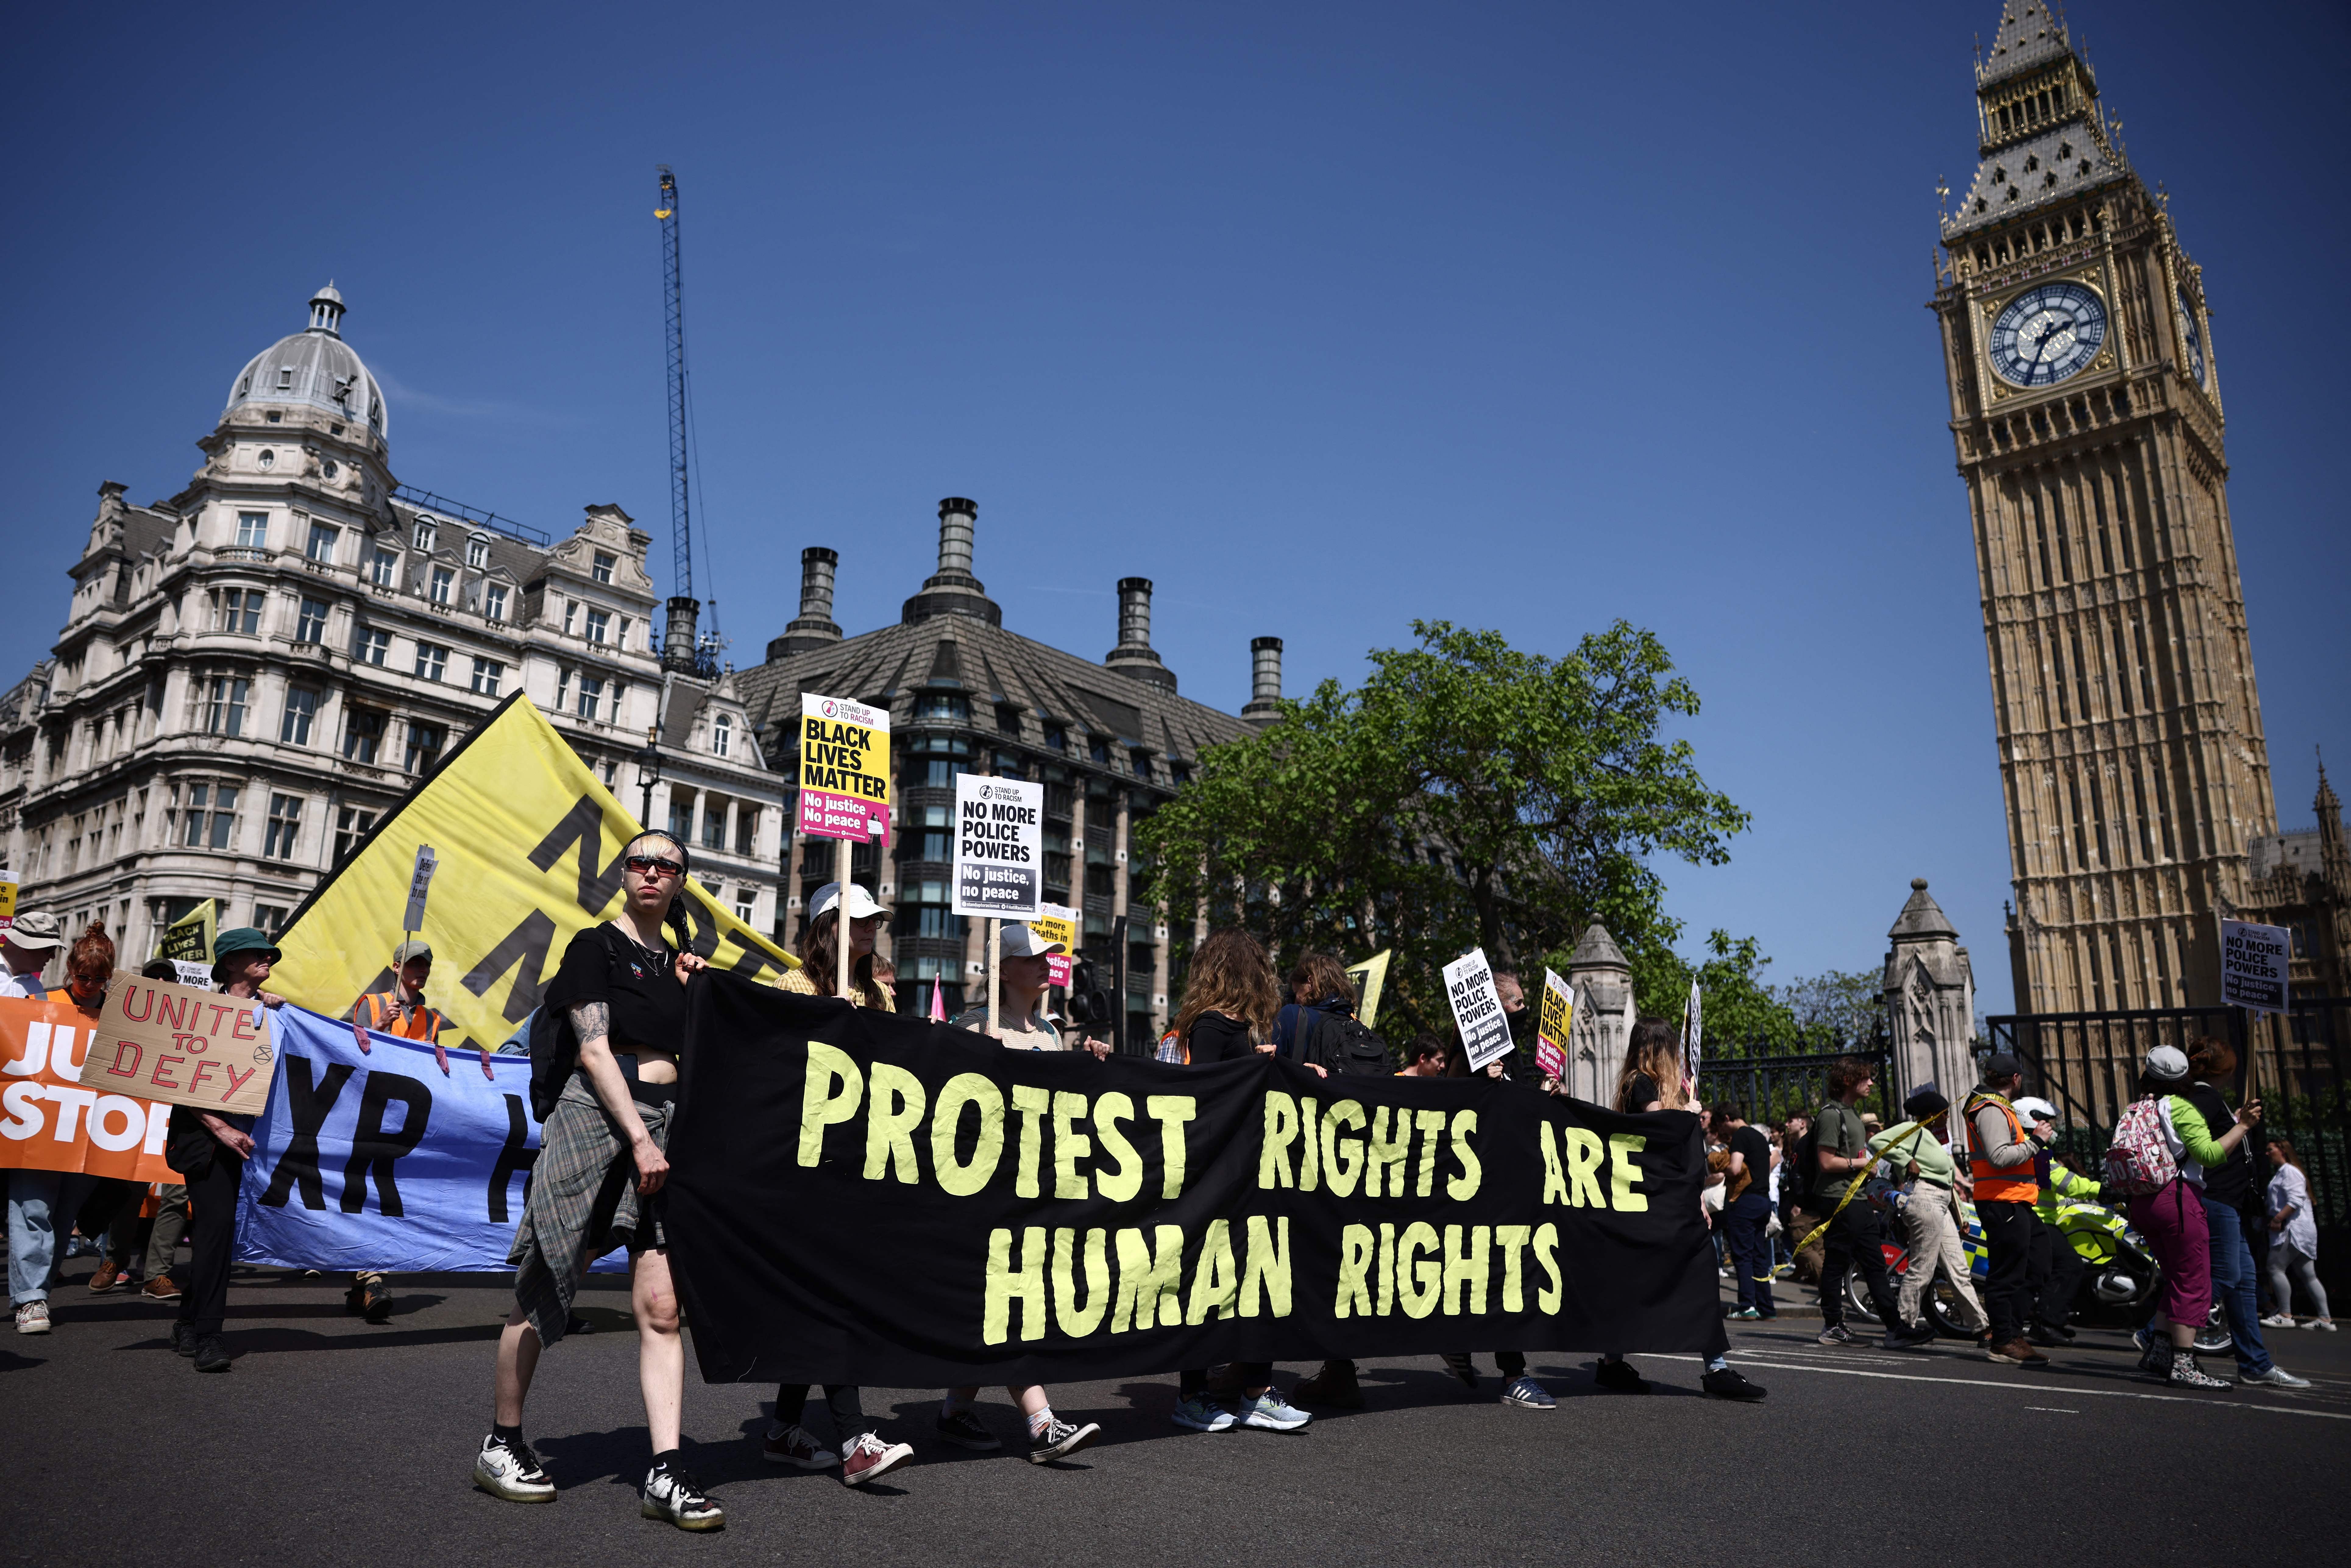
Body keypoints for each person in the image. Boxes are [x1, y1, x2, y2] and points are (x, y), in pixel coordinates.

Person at [475, 832, 725, 1529]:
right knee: (546, 1281)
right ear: (624, 875)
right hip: (599, 1121)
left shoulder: (677, 966)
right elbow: (591, 1048)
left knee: (662, 1307)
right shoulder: (595, 947)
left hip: (667, 1125)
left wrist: (695, 988)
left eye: (666, 865)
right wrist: (640, 1139)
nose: (650, 872)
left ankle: (667, 1470)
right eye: (638, 862)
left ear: (680, 882)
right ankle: (503, 1442)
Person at [762, 880, 918, 1483]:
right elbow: (775, 1066)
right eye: (857, 919)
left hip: (860, 1163)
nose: (869, 928)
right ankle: (854, 1439)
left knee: (820, 1296)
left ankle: (782, 1429)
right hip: (806, 1166)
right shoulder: (792, 986)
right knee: (832, 1294)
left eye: (874, 920)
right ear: (828, 924)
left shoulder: (881, 994)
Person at [937, 919, 1106, 1463]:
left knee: (1009, 1302)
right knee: (1014, 1299)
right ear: (1004, 970)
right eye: (1033, 957)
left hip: (1038, 1189)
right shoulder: (973, 1026)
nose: (1046, 964)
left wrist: (1091, 1065)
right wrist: (974, 1055)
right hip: (989, 1192)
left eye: (1048, 956)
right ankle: (1040, 1421)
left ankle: (956, 1409)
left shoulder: (1051, 1034)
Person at [1165, 930, 1311, 1434]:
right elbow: (1208, 1091)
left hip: (1240, 1175)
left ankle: (1254, 1391)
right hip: (1218, 1176)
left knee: (1254, 1282)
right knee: (1209, 1283)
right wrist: (1259, 1065)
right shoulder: (1211, 1024)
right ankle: (1195, 1395)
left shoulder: (1233, 1026)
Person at [1590, 1020, 1765, 1402]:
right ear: (1659, 1050)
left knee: (1658, 1276)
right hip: (1650, 1200)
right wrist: (1688, 1113)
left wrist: (1697, 1196)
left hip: (1664, 1198)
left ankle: (1615, 1362)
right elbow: (1661, 1129)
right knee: (1686, 1271)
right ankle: (1713, 1368)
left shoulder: (1651, 1085)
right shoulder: (1640, 1083)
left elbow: (1680, 1153)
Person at [164, 926, 284, 1374]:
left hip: (254, 1140)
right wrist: (219, 1127)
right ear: (231, 963)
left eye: (270, 955)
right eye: (257, 954)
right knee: (215, 1231)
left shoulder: (271, 1012)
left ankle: (189, 1321)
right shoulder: (200, 1011)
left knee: (218, 1235)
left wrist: (274, 1014)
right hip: (205, 1141)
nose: (268, 960)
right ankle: (210, 1336)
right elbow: (174, 1076)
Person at [2122, 1045, 2256, 1389]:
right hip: (2177, 1200)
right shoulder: (2181, 1107)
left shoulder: (2137, 1108)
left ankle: (2160, 1353)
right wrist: (2242, 1126)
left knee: (2175, 1278)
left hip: (2143, 1201)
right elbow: (2209, 1155)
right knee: (2194, 1281)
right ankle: (2183, 1364)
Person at [2175, 1039, 2308, 1388]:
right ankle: (2156, 1331)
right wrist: (2243, 1125)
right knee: (2223, 1277)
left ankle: (2254, 1363)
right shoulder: (2202, 1097)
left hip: (2229, 1202)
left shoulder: (2208, 1097)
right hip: (2216, 1199)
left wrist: (2236, 1120)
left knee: (2244, 1282)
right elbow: (2200, 1148)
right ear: (2226, 1070)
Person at [338, 939, 453, 1325]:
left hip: (405, 1119)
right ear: (396, 967)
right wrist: (380, 1026)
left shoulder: (433, 1017)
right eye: (414, 964)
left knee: (383, 1194)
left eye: (425, 966)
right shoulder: (371, 1004)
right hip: (369, 1112)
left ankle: (362, 1288)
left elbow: (431, 1064)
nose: (420, 971)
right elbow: (348, 1052)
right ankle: (371, 1278)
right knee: (368, 1191)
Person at [1867, 1091, 1984, 1349]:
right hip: (1924, 1199)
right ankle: (1902, 1328)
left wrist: (1960, 1213)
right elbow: (1876, 1142)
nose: (1948, 1118)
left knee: (1959, 1270)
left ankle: (1983, 1329)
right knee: (1923, 1268)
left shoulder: (1932, 1138)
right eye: (1945, 1113)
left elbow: (1948, 1181)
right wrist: (1906, 1159)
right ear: (1932, 1115)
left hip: (1941, 1203)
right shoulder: (1911, 1129)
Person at [1961, 1055, 2050, 1368]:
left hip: (2016, 1199)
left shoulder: (2000, 1108)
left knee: (2038, 1263)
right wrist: (2037, 1141)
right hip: (2002, 1201)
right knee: (2007, 1274)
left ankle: (2014, 1332)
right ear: (2015, 1079)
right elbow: (1999, 1156)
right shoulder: (1991, 1109)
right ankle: (2004, 1340)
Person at [4, 912, 69, 1335]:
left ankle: (31, 1299)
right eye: (42, 945)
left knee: (34, 1207)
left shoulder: (35, 989)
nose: (49, 955)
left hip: (27, 1113)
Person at [1812, 1056, 1905, 1351]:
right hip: (1839, 1199)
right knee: (1841, 1263)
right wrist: (1861, 1163)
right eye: (1866, 1078)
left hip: (1857, 1198)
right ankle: (1834, 1325)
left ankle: (1894, 1327)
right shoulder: (1831, 1114)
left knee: (1872, 1262)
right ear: (1849, 1080)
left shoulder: (1853, 1113)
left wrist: (1866, 1166)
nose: (1872, 1083)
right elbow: (1826, 1162)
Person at [2015, 1097, 2092, 1344]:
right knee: (2070, 1266)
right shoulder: (2033, 1148)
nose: (2053, 1128)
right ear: (2032, 1119)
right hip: (2037, 1220)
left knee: (2037, 1274)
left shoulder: (2032, 1147)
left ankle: (2044, 1322)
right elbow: (2063, 1181)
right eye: (2049, 1122)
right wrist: (2103, 1190)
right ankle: (2048, 1324)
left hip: (2040, 1220)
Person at [2263, 1138, 2332, 1331]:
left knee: (2275, 1267)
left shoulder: (2289, 1172)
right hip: (2304, 1231)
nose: (2267, 1154)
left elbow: (2295, 1201)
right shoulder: (2290, 1172)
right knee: (2308, 1275)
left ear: (2283, 1151)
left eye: (2271, 1150)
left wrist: (2277, 1219)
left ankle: (2285, 1314)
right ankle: (2325, 1319)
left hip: (2293, 1230)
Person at [1717, 1103, 1776, 1321]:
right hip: (1763, 1201)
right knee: (1758, 1256)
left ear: (1726, 1118)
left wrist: (1718, 1167)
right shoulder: (1759, 1136)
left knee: (1742, 1256)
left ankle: (1747, 1306)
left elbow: (1734, 1168)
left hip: (1746, 1202)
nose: (1721, 1132)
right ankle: (1766, 1308)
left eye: (1720, 1125)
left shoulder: (1741, 1136)